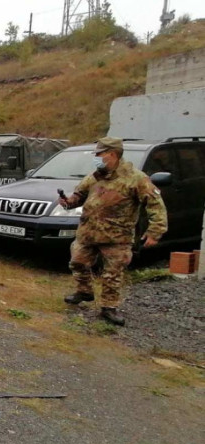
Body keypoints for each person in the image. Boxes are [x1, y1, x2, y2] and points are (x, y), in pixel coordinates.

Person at [59, 137, 168, 326]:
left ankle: (109, 308)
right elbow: (79, 196)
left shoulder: (136, 178)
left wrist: (155, 231)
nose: (96, 158)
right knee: (77, 262)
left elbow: (155, 205)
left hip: (116, 237)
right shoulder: (95, 176)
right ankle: (84, 291)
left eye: (99, 154)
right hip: (88, 232)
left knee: (112, 274)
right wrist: (68, 202)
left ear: (112, 154)